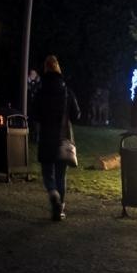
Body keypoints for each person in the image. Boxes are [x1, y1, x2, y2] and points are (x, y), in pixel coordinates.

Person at [34, 56, 80, 222]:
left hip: (47, 137)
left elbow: (35, 114)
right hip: (63, 138)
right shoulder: (67, 91)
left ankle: (53, 193)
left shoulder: (41, 90)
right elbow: (77, 114)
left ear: (45, 69)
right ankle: (60, 208)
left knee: (48, 173)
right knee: (61, 174)